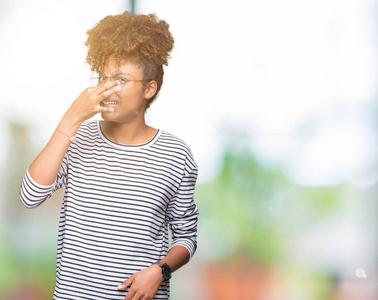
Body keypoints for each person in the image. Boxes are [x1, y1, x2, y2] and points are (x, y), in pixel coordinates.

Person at [19, 11, 199, 300]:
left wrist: (161, 270)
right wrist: (72, 117)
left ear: (149, 88)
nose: (107, 88)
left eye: (121, 79)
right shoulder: (77, 138)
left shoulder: (175, 155)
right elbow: (30, 196)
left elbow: (186, 237)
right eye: (104, 77)